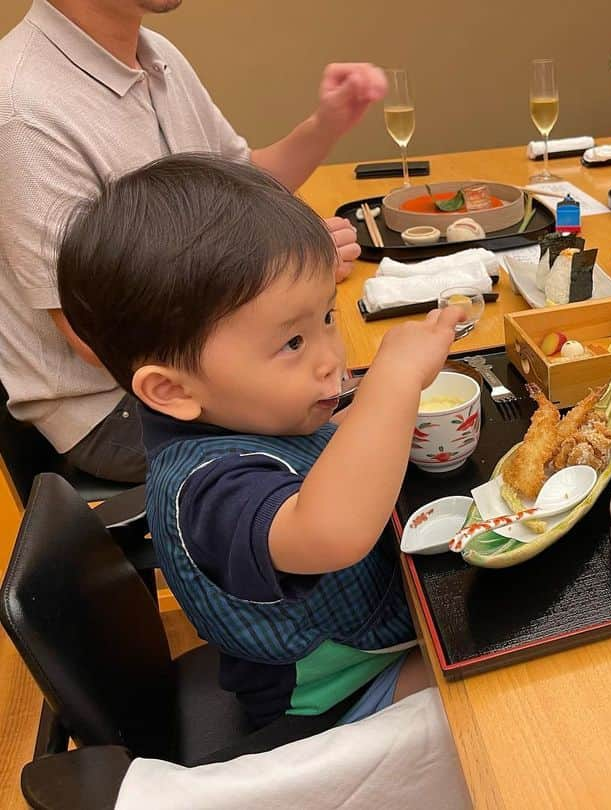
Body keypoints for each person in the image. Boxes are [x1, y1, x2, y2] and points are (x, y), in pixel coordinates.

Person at [57, 153, 465, 727]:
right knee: (504, 684)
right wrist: (394, 380)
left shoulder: (243, 412)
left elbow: (320, 451)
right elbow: (331, 533)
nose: (331, 358)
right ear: (172, 390)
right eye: (292, 343)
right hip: (331, 701)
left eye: (326, 317)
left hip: (380, 637)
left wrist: (382, 409)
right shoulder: (205, 495)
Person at [0, 0, 382, 483]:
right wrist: (288, 282)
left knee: (400, 392)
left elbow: (246, 185)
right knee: (378, 434)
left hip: (211, 356)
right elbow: (93, 335)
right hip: (121, 406)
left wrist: (325, 125)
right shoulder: (20, 110)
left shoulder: (155, 54)